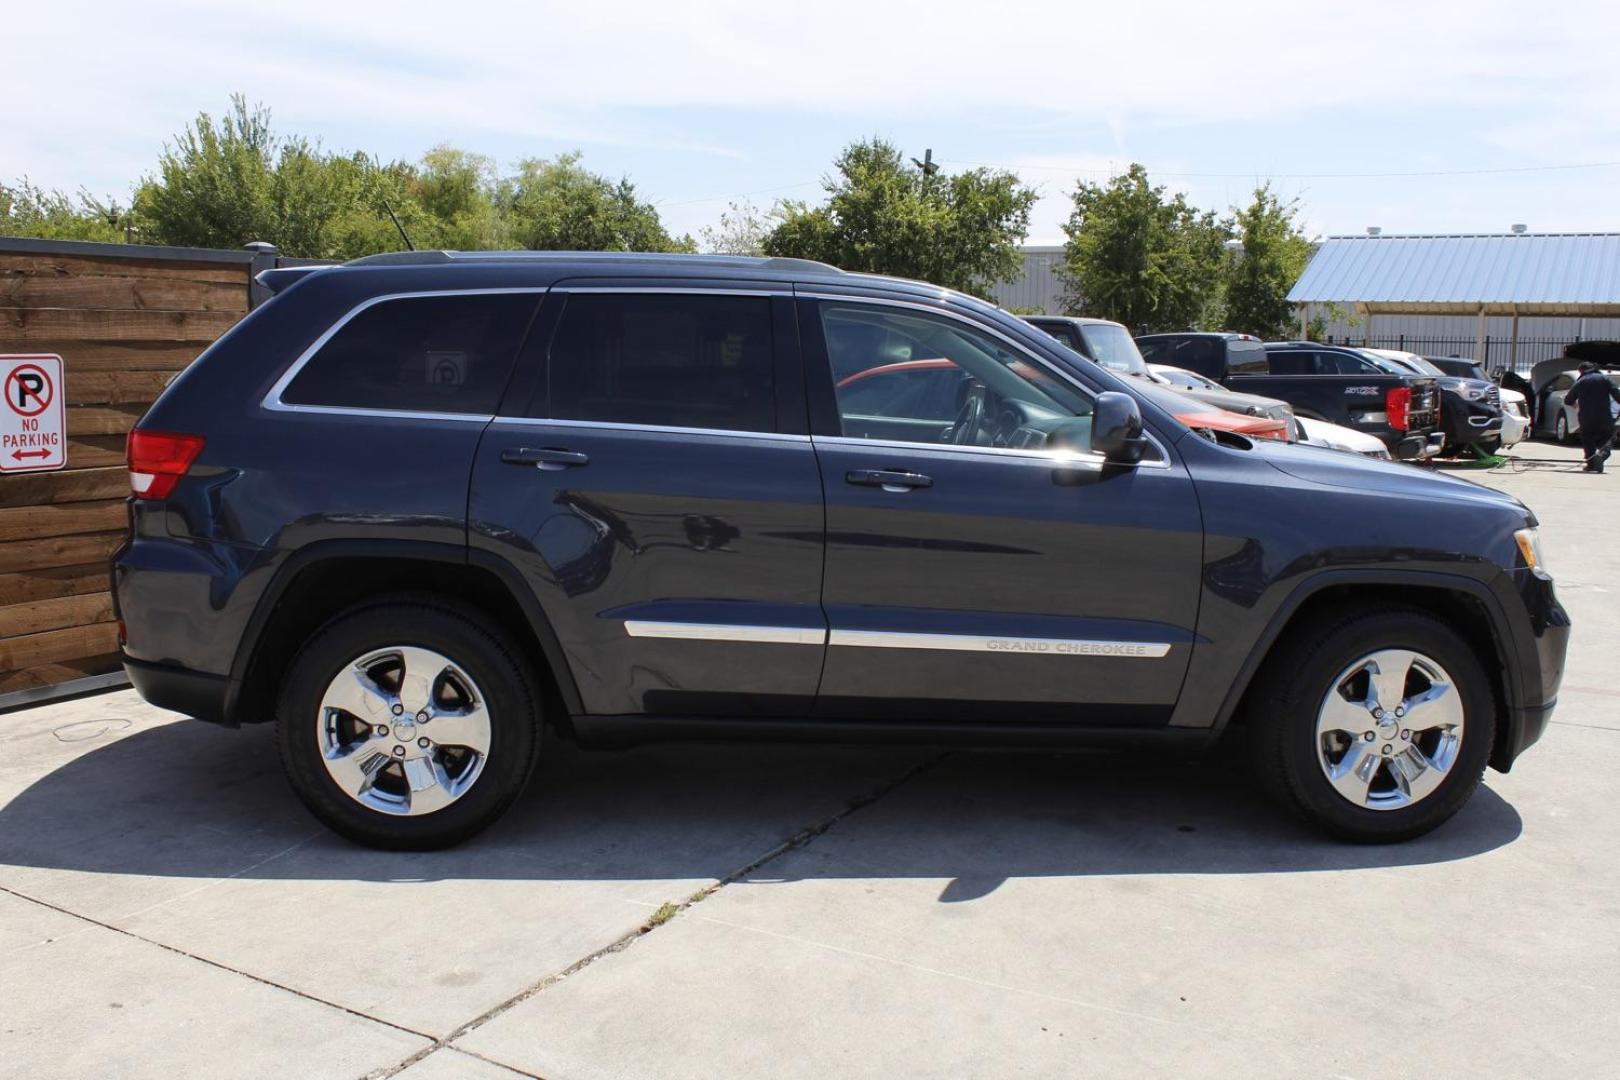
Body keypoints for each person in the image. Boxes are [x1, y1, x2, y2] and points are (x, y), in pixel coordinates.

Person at [1563, 362, 1620, 473]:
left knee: (1588, 440)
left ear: (1581, 370)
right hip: (1604, 416)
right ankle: (1602, 455)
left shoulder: (1581, 381)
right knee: (1607, 438)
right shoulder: (1605, 379)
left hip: (1586, 417)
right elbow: (1618, 396)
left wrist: (1576, 405)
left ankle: (1591, 464)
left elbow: (1568, 400)